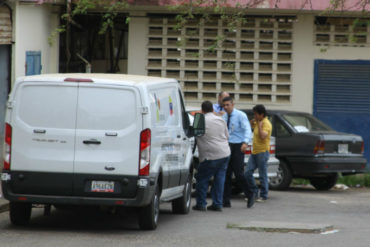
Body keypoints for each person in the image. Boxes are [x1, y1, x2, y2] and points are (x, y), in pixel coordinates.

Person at [193, 101, 231, 212]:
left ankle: (201, 204)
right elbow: (227, 136)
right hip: (224, 153)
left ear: (202, 110)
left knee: (202, 178)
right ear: (212, 109)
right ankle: (218, 204)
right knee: (219, 179)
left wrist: (198, 116)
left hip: (210, 155)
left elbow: (194, 134)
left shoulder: (200, 120)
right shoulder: (221, 120)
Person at [221, 96, 254, 208]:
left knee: (238, 173)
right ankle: (226, 200)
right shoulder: (224, 116)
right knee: (226, 174)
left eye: (227, 105)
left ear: (232, 104)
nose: (225, 107)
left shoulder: (240, 115)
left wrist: (245, 142)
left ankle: (250, 194)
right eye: (224, 105)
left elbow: (247, 129)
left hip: (238, 145)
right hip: (227, 145)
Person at [245, 104, 272, 203]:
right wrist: (251, 122)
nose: (255, 116)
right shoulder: (258, 121)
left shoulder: (266, 123)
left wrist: (260, 126)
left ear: (262, 114)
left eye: (256, 114)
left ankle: (264, 195)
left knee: (262, 174)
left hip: (263, 152)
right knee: (247, 173)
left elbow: (263, 136)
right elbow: (249, 127)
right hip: (255, 151)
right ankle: (254, 192)